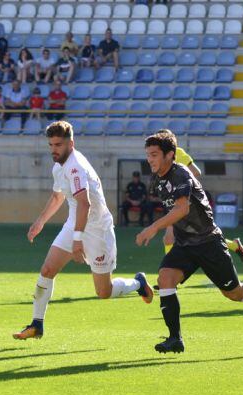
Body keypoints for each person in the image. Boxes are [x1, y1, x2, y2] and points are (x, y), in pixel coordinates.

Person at [136, 130, 243, 353]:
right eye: (148, 155)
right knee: (165, 278)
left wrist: (154, 227)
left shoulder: (181, 174)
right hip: (185, 244)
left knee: (233, 293)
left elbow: (182, 208)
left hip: (208, 242)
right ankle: (175, 338)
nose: (150, 160)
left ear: (170, 154)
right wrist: (169, 229)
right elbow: (173, 210)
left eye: (154, 154)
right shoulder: (157, 179)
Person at [12, 121, 153, 340]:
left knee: (103, 292)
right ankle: (36, 324)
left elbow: (85, 204)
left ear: (71, 143)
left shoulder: (75, 166)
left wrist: (78, 241)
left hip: (97, 230)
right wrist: (40, 222)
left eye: (58, 144)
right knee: (48, 270)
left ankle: (138, 283)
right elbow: (58, 195)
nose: (53, 150)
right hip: (74, 223)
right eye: (50, 145)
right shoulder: (59, 165)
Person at [159, 134, 243, 262]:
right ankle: (234, 245)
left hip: (187, 201)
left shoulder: (178, 152)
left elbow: (196, 172)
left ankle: (169, 270)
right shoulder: (161, 158)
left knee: (170, 237)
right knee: (199, 235)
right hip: (176, 201)